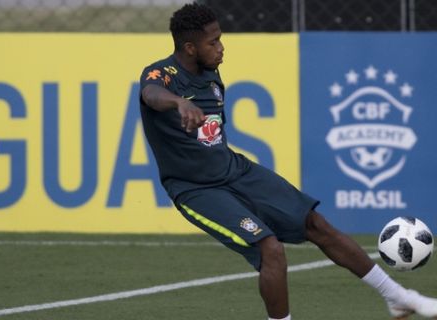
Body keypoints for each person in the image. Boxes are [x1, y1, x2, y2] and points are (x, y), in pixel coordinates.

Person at [138, 2, 437, 319]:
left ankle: (398, 297)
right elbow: (151, 94)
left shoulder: (210, 74)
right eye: (212, 42)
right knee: (271, 250)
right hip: (196, 190)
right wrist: (177, 104)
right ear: (189, 47)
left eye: (220, 38)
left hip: (234, 171)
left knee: (315, 223)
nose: (221, 48)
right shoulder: (162, 74)